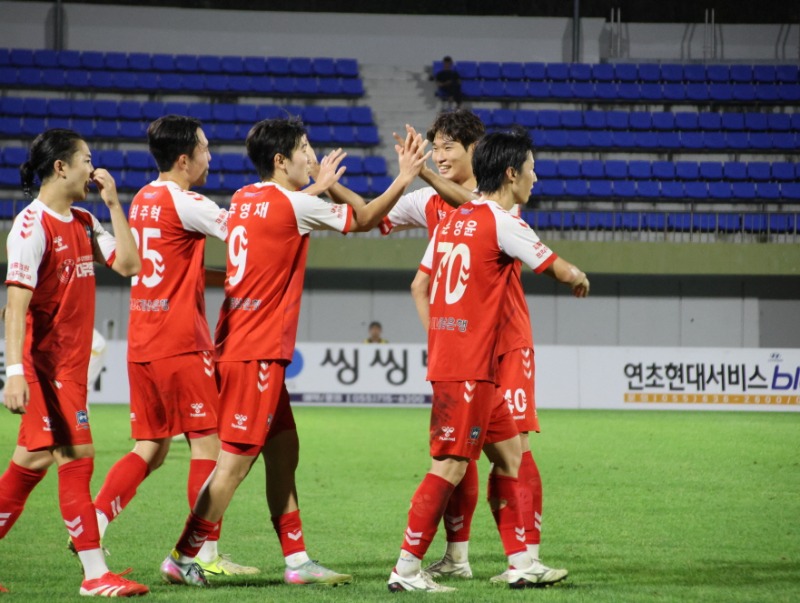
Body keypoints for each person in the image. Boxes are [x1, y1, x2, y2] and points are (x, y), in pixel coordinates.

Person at [159, 117, 430, 588]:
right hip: (255, 353)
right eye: (304, 149)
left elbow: (273, 223)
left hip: (243, 346)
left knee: (284, 450)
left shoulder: (246, 196)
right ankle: (184, 555)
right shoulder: (294, 205)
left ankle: (298, 559)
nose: (312, 156)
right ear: (280, 160)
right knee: (234, 465)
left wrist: (318, 188)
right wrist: (404, 177)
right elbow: (365, 219)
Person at [387, 127, 589, 592]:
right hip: (470, 367)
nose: (536, 178)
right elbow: (556, 267)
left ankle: (521, 562)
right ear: (512, 173)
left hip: (469, 364)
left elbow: (427, 285)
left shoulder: (453, 219)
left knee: (511, 454)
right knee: (452, 464)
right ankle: (406, 569)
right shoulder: (502, 220)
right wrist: (578, 276)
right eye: (532, 169)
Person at [87, 115, 258, 578]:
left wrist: (221, 280)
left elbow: (161, 265)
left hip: (142, 338)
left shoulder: (143, 199)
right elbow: (246, 233)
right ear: (184, 159)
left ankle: (94, 521)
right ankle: (202, 553)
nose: (209, 156)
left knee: (152, 446)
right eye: (204, 148)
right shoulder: (190, 202)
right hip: (181, 341)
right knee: (208, 446)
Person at [0, 129, 148, 596]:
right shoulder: (30, 226)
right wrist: (15, 373)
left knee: (28, 466)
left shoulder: (84, 219)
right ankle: (94, 575)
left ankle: (95, 574)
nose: (93, 167)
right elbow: (15, 307)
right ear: (60, 167)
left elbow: (129, 265)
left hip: (70, 369)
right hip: (45, 369)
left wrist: (114, 205)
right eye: (86, 159)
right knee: (77, 457)